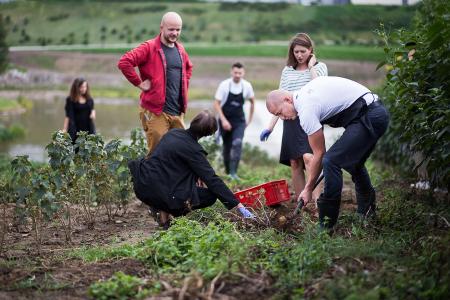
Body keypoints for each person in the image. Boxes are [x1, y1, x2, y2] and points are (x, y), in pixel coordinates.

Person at [266, 76, 389, 229]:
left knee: (331, 161)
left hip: (369, 115)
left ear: (287, 100)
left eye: (279, 113)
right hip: (372, 113)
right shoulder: (305, 95)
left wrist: (308, 188)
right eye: (277, 116)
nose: (282, 118)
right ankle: (367, 213)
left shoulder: (306, 109)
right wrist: (308, 187)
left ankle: (327, 223)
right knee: (353, 163)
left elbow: (319, 153)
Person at [128, 110, 255, 229]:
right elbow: (212, 180)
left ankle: (162, 211)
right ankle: (169, 215)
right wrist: (238, 205)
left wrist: (195, 174)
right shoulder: (194, 150)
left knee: (173, 180)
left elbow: (171, 165)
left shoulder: (173, 133)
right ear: (207, 134)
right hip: (159, 190)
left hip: (143, 184)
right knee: (210, 196)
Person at [260, 33, 327, 202]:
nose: (299, 55)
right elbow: (279, 102)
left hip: (310, 118)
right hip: (290, 119)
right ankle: (302, 201)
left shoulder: (320, 67)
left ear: (310, 50)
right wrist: (270, 126)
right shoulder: (287, 71)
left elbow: (320, 89)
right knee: (295, 162)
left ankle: (317, 201)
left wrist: (311, 67)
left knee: (310, 158)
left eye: (303, 51)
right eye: (296, 51)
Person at [117, 11, 193, 155]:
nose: (175, 33)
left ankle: (173, 178)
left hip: (177, 113)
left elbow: (188, 68)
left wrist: (184, 87)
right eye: (171, 29)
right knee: (156, 155)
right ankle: (148, 177)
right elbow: (124, 62)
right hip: (156, 112)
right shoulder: (149, 47)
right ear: (161, 27)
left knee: (181, 153)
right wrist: (139, 83)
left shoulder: (181, 50)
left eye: (178, 29)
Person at [214, 62, 255, 180]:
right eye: (235, 72)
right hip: (225, 119)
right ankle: (228, 173)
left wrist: (250, 120)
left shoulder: (247, 86)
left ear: (243, 73)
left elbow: (253, 102)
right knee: (226, 147)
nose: (237, 75)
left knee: (237, 143)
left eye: (240, 73)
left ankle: (234, 173)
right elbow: (216, 104)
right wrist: (223, 121)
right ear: (231, 72)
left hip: (239, 121)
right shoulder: (224, 85)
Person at [62, 77, 96, 143]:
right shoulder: (70, 100)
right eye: (82, 87)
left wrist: (93, 113)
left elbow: (92, 110)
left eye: (85, 87)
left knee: (88, 148)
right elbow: (68, 116)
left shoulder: (89, 99)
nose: (84, 89)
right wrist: (65, 129)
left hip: (88, 129)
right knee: (75, 149)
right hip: (75, 130)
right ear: (76, 88)